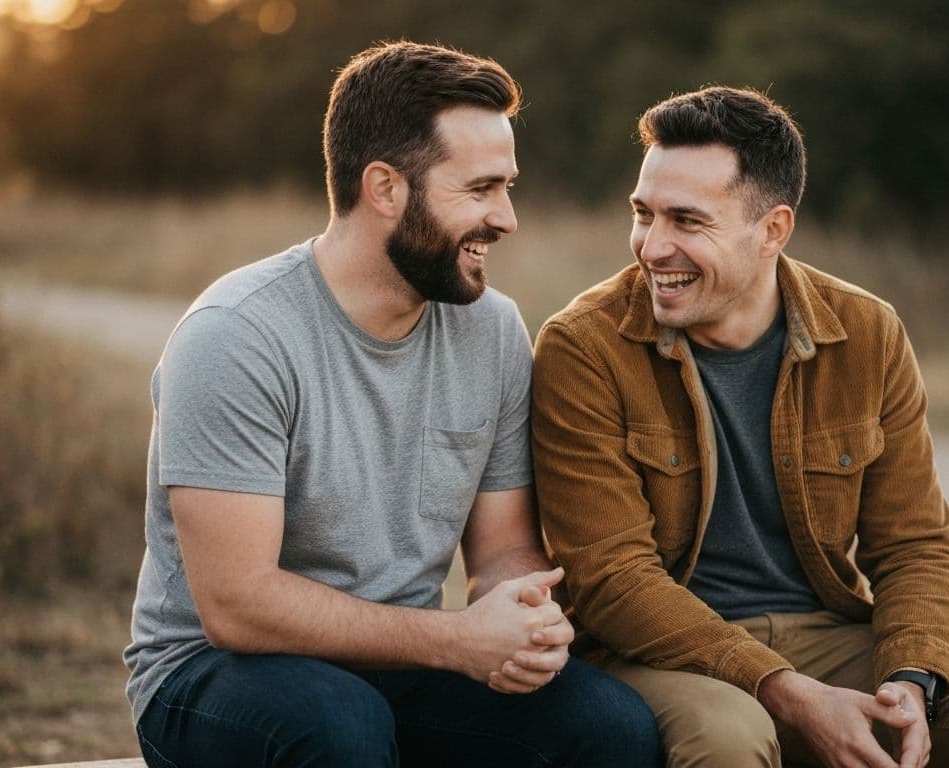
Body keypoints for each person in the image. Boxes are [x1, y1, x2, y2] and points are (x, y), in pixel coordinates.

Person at [530, 86, 949, 768]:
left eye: (687, 221)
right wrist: (786, 690)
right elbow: (612, 580)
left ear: (773, 229)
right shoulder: (583, 345)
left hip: (828, 633)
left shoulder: (866, 331)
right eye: (643, 213)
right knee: (727, 737)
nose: (652, 247)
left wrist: (910, 677)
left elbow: (915, 543)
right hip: (660, 653)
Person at [124, 42, 661, 768]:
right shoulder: (238, 335)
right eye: (480, 189)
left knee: (610, 725)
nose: (505, 218)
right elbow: (237, 606)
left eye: (508, 187)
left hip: (403, 662)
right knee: (338, 727)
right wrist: (456, 641)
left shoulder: (492, 327)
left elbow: (502, 548)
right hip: (214, 673)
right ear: (384, 187)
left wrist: (521, 617)